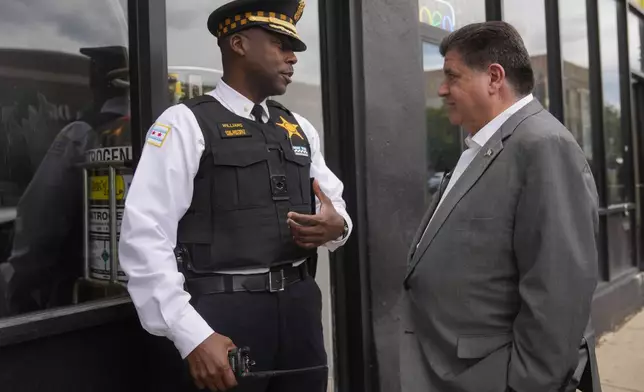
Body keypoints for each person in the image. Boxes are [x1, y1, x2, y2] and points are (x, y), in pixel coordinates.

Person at [118, 1, 352, 391]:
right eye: (280, 43)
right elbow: (145, 237)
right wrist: (191, 334)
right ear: (238, 43)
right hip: (221, 317)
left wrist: (336, 226)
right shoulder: (185, 124)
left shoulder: (297, 128)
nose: (292, 57)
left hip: (299, 312)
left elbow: (336, 207)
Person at [400, 21, 601, 392]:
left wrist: (526, 385)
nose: (442, 89)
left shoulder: (543, 146)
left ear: (494, 77)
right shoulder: (485, 146)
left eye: (452, 76)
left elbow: (557, 295)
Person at [0, 46, 130, 316]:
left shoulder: (81, 133)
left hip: (87, 298)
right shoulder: (161, 126)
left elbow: (39, 221)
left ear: (95, 78)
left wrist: (15, 283)